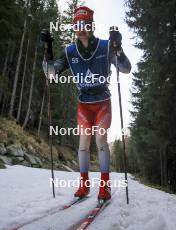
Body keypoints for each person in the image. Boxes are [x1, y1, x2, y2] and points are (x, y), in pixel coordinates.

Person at [41, 6, 131, 201]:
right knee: (83, 145)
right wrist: (47, 52)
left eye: (85, 24)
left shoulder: (105, 46)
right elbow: (50, 74)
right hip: (84, 104)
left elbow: (125, 69)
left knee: (100, 141)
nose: (81, 28)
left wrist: (118, 48)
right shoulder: (70, 51)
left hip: (102, 102)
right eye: (77, 25)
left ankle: (104, 187)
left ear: (91, 25)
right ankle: (84, 185)